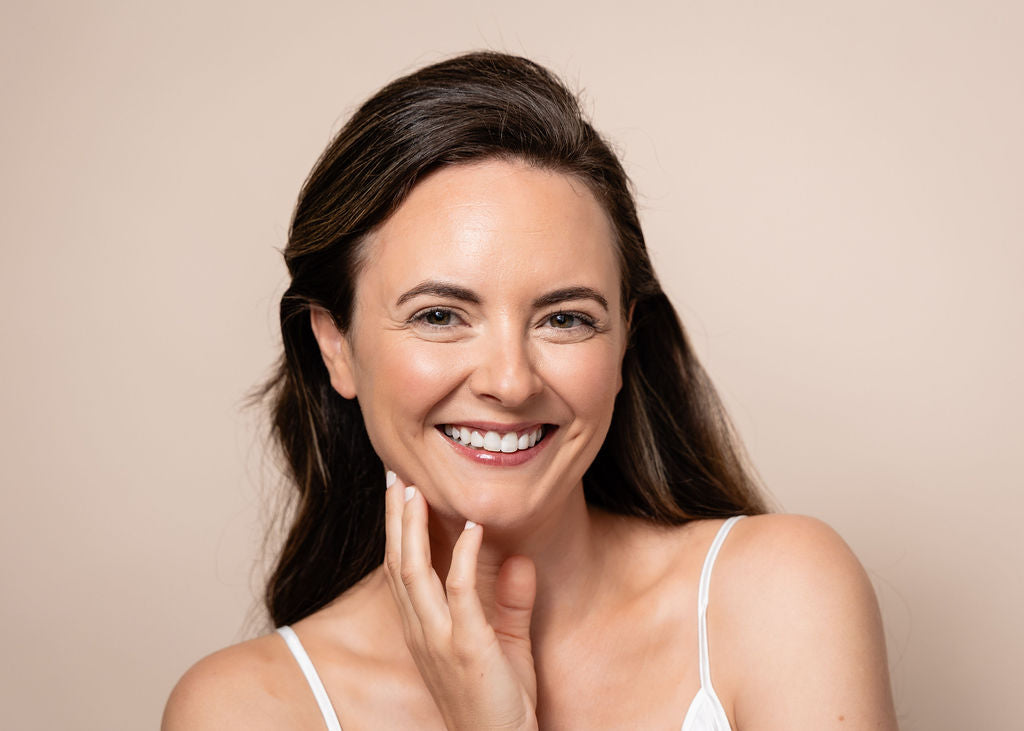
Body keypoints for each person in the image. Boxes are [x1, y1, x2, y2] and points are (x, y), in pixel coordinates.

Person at [162, 51, 898, 730]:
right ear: (337, 346)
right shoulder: (242, 709)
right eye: (440, 315)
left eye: (565, 318)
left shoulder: (779, 596)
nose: (510, 382)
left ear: (623, 340)